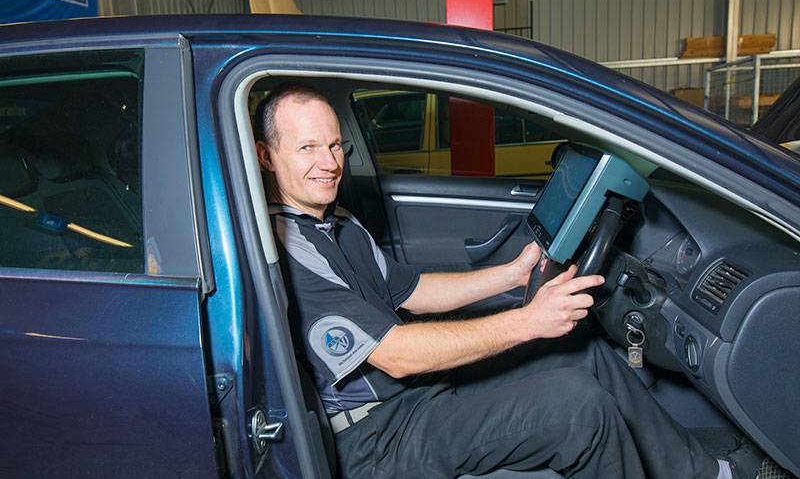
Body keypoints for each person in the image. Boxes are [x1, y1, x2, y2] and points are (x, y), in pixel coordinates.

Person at [254, 83, 747, 479]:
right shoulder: (286, 248)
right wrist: (528, 321)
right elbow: (396, 355)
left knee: (584, 352)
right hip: (376, 438)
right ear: (266, 156)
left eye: (336, 144)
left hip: (415, 397)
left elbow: (413, 292)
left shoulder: (337, 224)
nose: (331, 162)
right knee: (578, 409)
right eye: (308, 148)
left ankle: (707, 470)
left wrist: (509, 275)